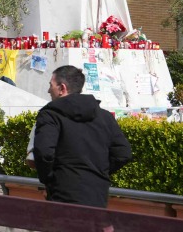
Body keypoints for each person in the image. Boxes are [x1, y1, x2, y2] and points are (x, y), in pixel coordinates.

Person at [33, 65, 132, 207]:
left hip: (62, 195)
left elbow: (44, 153)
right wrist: (98, 172)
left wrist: (50, 180)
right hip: (97, 195)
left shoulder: (50, 115)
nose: (49, 90)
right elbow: (123, 153)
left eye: (51, 85)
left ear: (62, 88)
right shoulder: (104, 116)